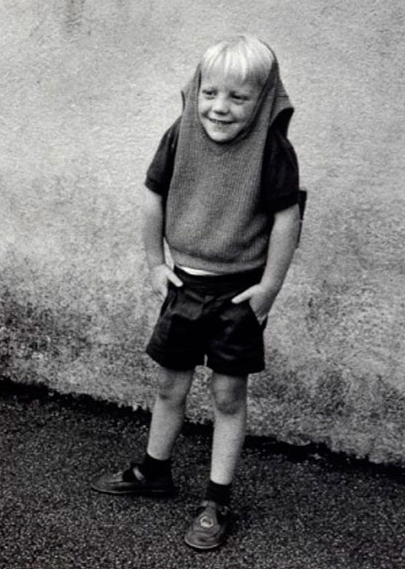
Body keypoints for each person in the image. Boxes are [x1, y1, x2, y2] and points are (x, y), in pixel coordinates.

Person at [91, 35, 303, 551]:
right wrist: (155, 263)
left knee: (228, 395)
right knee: (170, 385)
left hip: (238, 293)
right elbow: (152, 196)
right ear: (196, 90)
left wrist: (268, 289)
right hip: (185, 283)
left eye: (239, 97)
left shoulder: (273, 150)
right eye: (211, 93)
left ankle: (216, 500)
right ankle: (153, 471)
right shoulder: (179, 135)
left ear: (265, 100)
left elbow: (286, 217)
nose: (221, 108)